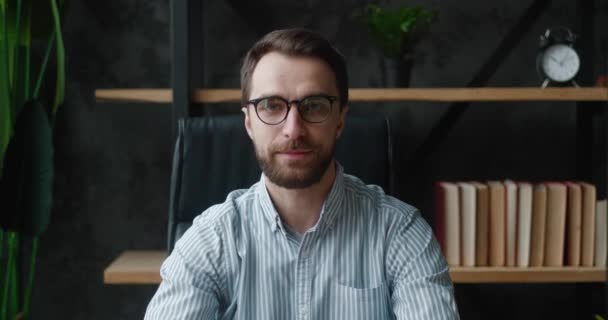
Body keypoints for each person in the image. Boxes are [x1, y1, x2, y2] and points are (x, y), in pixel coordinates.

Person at [145, 28, 459, 319]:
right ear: (249, 122)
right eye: (271, 105)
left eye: (314, 105)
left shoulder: (400, 234)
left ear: (340, 119)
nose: (293, 129)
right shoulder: (210, 241)